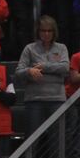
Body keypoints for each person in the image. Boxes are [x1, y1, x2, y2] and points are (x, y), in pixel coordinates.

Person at [15, 15, 69, 143]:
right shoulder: (29, 48)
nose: (46, 34)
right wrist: (29, 70)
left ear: (54, 32)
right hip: (35, 99)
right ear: (38, 32)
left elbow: (65, 68)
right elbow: (18, 72)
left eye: (49, 31)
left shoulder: (61, 48)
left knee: (57, 139)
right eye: (43, 31)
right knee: (32, 140)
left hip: (56, 99)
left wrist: (44, 67)